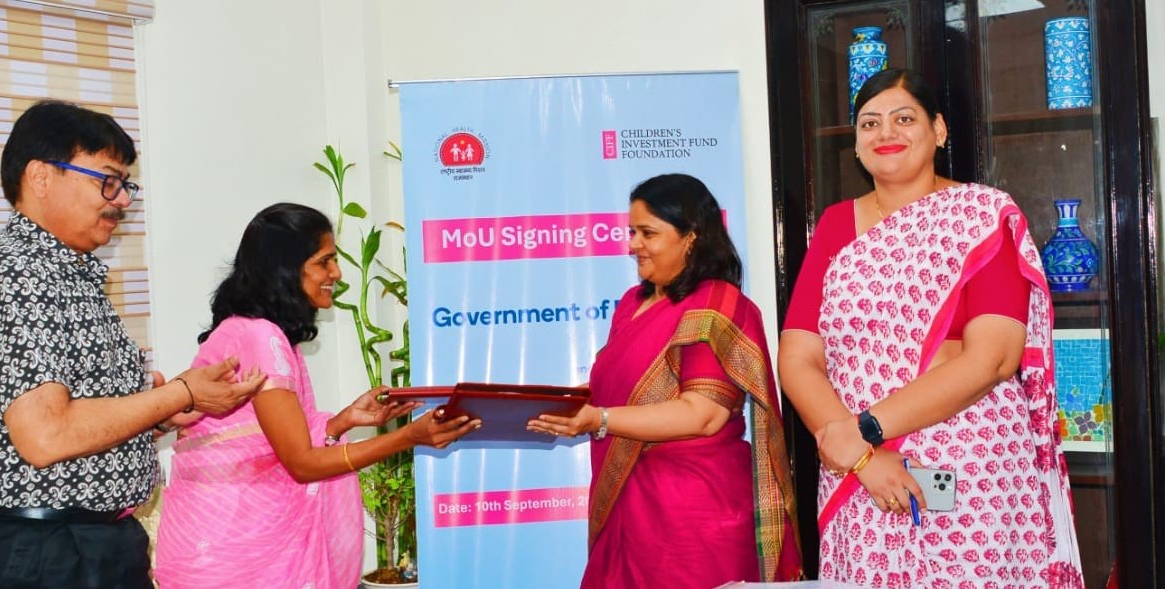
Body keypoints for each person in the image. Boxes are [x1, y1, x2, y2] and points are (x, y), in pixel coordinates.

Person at [0, 100, 266, 589]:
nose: (122, 200)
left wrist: (160, 412)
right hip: (42, 552)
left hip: (84, 546)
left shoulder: (68, 276)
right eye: (106, 180)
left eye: (125, 184)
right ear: (41, 177)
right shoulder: (14, 276)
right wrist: (180, 394)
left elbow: (77, 423)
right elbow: (47, 437)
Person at [778, 68, 1084, 588]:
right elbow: (798, 355)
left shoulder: (983, 216)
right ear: (855, 144)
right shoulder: (834, 225)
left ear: (939, 130)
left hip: (970, 469)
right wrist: (861, 456)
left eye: (904, 118)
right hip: (863, 475)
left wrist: (864, 431)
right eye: (869, 123)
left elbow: (993, 358)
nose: (885, 133)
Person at [154, 203, 480, 589]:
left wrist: (340, 422)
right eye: (324, 262)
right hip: (241, 555)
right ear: (286, 270)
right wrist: (408, 437)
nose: (336, 274)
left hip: (231, 546)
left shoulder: (254, 331)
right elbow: (302, 463)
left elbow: (262, 437)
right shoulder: (261, 337)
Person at [529, 174, 801, 588]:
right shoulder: (631, 305)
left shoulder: (716, 305)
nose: (632, 244)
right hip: (626, 504)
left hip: (692, 515)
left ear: (691, 236)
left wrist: (597, 420)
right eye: (632, 231)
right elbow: (618, 393)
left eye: (648, 233)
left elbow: (704, 414)